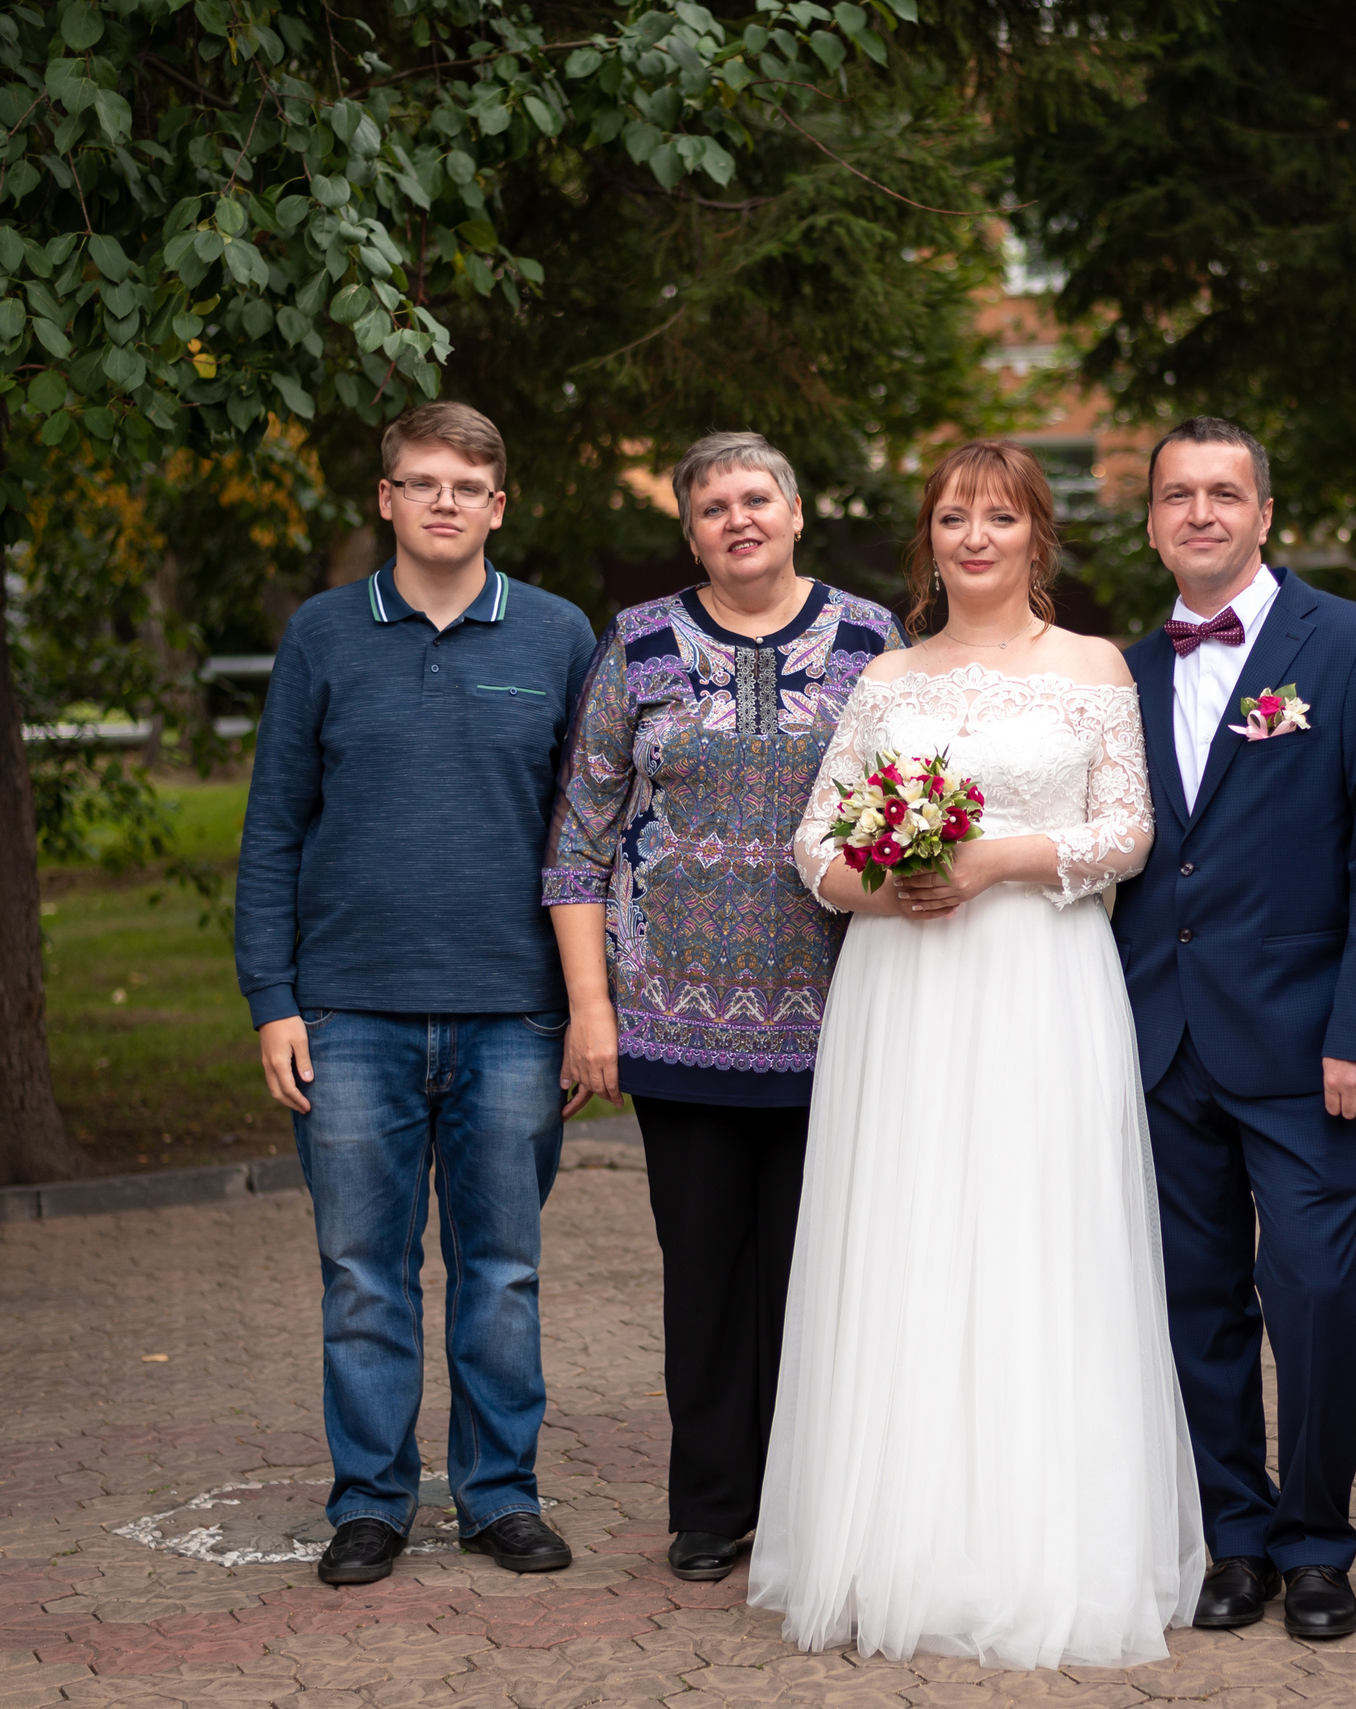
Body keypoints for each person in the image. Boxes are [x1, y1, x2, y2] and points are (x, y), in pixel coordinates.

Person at [752, 439, 1203, 1668]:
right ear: (930, 540)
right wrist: (880, 883)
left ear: (1036, 538)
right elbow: (812, 846)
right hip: (904, 989)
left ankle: (1041, 1542)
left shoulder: (1092, 666)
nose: (974, 537)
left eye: (999, 517)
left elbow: (1127, 828)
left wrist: (999, 855)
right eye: (953, 517)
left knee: (1033, 1233)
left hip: (1038, 980)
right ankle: (902, 1534)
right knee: (908, 1234)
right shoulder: (888, 679)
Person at [235, 401, 597, 1586]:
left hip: (512, 1012)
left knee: (501, 1269)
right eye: (421, 481)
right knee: (362, 1272)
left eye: (467, 485)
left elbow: (589, 836)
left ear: (500, 505)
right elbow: (275, 827)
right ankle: (372, 1502)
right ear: (385, 497)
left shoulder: (554, 635)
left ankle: (499, 1495)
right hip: (348, 1015)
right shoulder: (325, 636)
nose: (444, 501)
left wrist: (591, 1002)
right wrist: (272, 998)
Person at [545, 432, 903, 1584]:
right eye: (712, 506)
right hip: (671, 1019)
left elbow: (913, 807)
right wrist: (591, 1009)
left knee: (816, 1269)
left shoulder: (869, 640)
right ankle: (710, 1505)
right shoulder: (639, 643)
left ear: (797, 512)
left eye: (756, 498)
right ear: (689, 529)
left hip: (839, 1014)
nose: (736, 519)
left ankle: (807, 1503)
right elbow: (577, 840)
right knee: (701, 1266)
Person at [1113, 417, 1356, 1641]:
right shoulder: (1124, 672)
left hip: (1312, 1047)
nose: (1201, 513)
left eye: (1224, 493)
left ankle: (1315, 1541)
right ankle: (1233, 1536)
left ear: (1263, 513)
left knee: (1310, 1292)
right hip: (1160, 1040)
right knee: (1193, 1300)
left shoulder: (1354, 648)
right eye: (1177, 495)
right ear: (1151, 521)